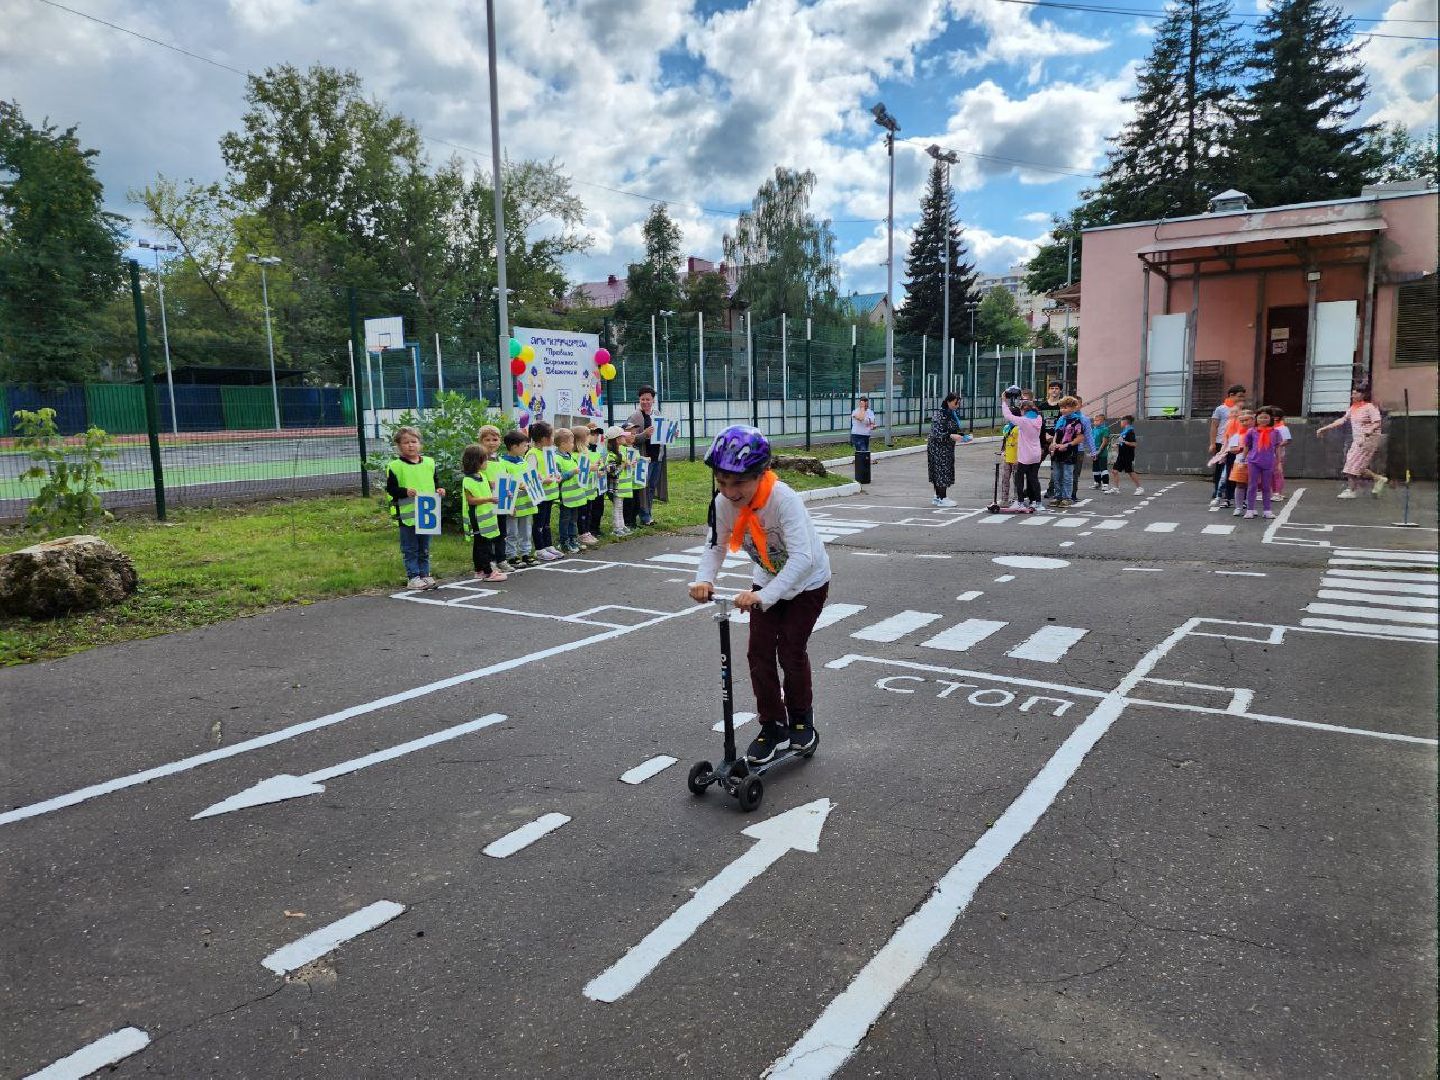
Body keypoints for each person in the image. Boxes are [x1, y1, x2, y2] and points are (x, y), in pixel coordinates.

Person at [689, 426, 832, 765]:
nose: (729, 491)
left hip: (808, 583)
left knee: (791, 650)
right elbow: (716, 546)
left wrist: (764, 596)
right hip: (767, 578)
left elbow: (802, 558)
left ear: (760, 474)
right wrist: (703, 580)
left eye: (737, 483)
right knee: (758, 654)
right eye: (722, 482)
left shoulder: (783, 500)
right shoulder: (723, 503)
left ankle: (800, 720)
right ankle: (773, 726)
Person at [385, 425, 445, 590]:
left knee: (424, 546)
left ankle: (425, 574)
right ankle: (413, 576)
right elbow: (391, 489)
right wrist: (405, 492)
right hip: (408, 514)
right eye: (406, 442)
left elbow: (434, 482)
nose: (410, 445)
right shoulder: (395, 466)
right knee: (410, 547)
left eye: (414, 441)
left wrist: (439, 490)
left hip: (427, 512)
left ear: (420, 444)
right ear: (399, 446)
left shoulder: (429, 463)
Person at [1318, 388, 1388, 498]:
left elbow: (1377, 422)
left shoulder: (1370, 407)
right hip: (1358, 439)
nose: (1353, 395)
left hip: (1368, 440)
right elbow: (1342, 420)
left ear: (1363, 394)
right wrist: (1325, 428)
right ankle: (1378, 479)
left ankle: (1351, 490)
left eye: (1356, 393)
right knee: (1355, 464)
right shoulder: (1353, 408)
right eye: (1352, 393)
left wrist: (1369, 431)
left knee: (1351, 464)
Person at [460, 444, 506, 582]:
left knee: (482, 542)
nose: (487, 462)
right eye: (485, 460)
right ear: (477, 461)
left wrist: (504, 492)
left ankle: (479, 570)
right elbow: (471, 500)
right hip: (477, 517)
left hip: (486, 516)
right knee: (483, 545)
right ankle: (488, 571)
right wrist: (489, 499)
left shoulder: (482, 476)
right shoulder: (468, 480)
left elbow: (490, 490)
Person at [500, 428, 539, 567]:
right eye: (524, 445)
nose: (526, 448)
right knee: (512, 532)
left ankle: (526, 553)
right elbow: (503, 485)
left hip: (527, 503)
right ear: (514, 447)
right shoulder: (502, 463)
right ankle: (511, 555)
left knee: (526, 530)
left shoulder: (523, 462)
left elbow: (530, 479)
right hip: (513, 505)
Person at [477, 425, 513, 573]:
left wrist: (510, 501)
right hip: (487, 502)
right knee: (489, 533)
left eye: (495, 439)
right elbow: (476, 478)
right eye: (487, 440)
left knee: (501, 532)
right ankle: (489, 560)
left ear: (500, 441)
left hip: (501, 502)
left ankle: (501, 559)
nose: (491, 443)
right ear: (480, 441)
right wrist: (488, 483)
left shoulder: (501, 461)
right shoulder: (480, 460)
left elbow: (507, 482)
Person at [1000, 392, 1045, 508]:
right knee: (1033, 478)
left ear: (1023, 410)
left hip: (1025, 455)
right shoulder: (1038, 419)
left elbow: (1008, 416)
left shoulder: (1024, 421)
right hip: (1036, 454)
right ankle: (1038, 503)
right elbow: (1035, 411)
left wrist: (1004, 401)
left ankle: (1020, 502)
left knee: (1019, 478)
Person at [525, 421, 562, 562]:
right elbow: (529, 476)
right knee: (539, 522)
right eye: (551, 436)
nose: (553, 439)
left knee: (546, 522)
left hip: (550, 493)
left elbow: (553, 469)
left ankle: (548, 545)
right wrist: (543, 481)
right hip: (539, 495)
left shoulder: (549, 452)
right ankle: (539, 549)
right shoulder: (532, 454)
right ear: (543, 439)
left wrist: (557, 475)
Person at [927, 392, 969, 507]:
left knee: (943, 471)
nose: (957, 405)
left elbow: (952, 429)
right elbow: (937, 433)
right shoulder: (940, 414)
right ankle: (942, 497)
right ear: (949, 402)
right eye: (956, 403)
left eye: (958, 403)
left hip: (947, 448)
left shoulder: (951, 414)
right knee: (941, 472)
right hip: (938, 448)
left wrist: (963, 436)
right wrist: (951, 436)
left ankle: (938, 496)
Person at [626, 386, 661, 526]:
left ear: (653, 400)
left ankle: (648, 513)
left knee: (651, 487)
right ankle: (644, 515)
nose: (645, 402)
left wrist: (670, 434)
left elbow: (662, 433)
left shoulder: (657, 414)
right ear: (639, 400)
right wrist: (644, 434)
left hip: (656, 456)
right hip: (642, 458)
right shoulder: (635, 416)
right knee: (642, 487)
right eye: (642, 399)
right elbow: (629, 437)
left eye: (648, 399)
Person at [1208, 385, 1246, 508]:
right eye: (1240, 396)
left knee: (1233, 469)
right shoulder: (1221, 409)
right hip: (1222, 442)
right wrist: (1213, 443)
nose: (1242, 398)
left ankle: (1232, 494)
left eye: (1243, 396)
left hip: (1237, 444)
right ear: (1231, 395)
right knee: (1220, 469)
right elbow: (1214, 426)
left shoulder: (1242, 410)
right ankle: (1218, 491)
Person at [553, 427, 587, 554]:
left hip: (575, 496)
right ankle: (564, 541)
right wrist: (572, 472)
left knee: (573, 519)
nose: (573, 445)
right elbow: (559, 476)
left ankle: (573, 539)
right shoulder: (557, 458)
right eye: (571, 442)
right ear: (563, 444)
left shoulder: (570, 456)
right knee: (565, 519)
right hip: (566, 496)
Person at [1242, 409, 1280, 519]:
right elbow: (1247, 446)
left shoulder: (1275, 432)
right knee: (1252, 485)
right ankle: (1250, 509)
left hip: (1268, 462)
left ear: (1270, 419)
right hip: (1253, 461)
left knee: (1266, 487)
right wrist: (1243, 459)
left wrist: (1279, 463)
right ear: (1256, 419)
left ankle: (1267, 510)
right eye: (1261, 417)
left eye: (1266, 417)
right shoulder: (1251, 431)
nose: (1263, 419)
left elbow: (1277, 448)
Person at [1047, 397, 1084, 508]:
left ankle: (1067, 498)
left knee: (1067, 475)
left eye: (1065, 407)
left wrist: (1066, 445)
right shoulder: (1060, 420)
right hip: (1057, 452)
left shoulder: (1077, 421)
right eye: (1061, 407)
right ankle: (1058, 497)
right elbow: (1057, 434)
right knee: (1057, 475)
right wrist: (1053, 444)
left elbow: (1080, 438)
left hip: (1069, 452)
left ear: (1073, 408)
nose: (1062, 410)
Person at [605, 425, 634, 536]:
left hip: (619, 486)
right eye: (622, 437)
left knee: (620, 506)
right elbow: (612, 472)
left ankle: (621, 525)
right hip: (615, 486)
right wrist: (623, 465)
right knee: (617, 507)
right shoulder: (612, 455)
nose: (625, 438)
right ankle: (617, 527)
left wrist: (627, 464)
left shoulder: (620, 453)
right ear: (617, 440)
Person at [1112, 416, 1143, 494]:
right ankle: (1116, 488)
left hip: (1127, 455)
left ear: (1125, 422)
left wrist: (1126, 442)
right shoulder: (1124, 432)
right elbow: (1123, 442)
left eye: (1121, 421)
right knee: (1114, 471)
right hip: (1121, 455)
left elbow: (1134, 444)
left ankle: (1139, 488)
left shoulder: (1130, 432)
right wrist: (1118, 444)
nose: (1120, 423)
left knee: (1130, 471)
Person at [1091, 412, 1112, 492]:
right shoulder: (1094, 429)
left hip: (1102, 453)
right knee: (1095, 468)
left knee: (1103, 468)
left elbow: (1104, 442)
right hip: (1094, 452)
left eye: (1097, 420)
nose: (1095, 422)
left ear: (1102, 421)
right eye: (1094, 420)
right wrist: (1093, 451)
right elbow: (1091, 440)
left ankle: (1105, 484)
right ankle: (1097, 483)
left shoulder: (1105, 429)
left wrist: (1099, 451)